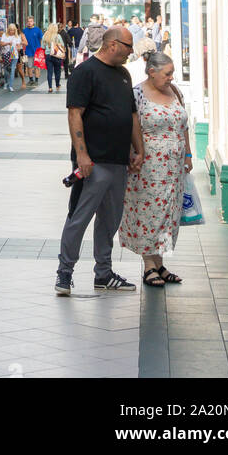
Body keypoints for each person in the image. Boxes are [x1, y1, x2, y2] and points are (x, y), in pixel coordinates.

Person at [55, 26, 144, 296]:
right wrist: (81, 154)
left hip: (118, 161)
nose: (131, 51)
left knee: (110, 219)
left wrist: (138, 149)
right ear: (112, 44)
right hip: (92, 163)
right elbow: (75, 115)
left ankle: (103, 273)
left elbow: (131, 116)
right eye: (128, 46)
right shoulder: (85, 72)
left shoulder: (124, 75)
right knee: (79, 217)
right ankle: (64, 273)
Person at [119, 52, 192, 287]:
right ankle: (149, 265)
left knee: (168, 214)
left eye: (172, 73)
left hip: (174, 168)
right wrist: (136, 153)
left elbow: (184, 126)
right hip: (149, 166)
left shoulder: (175, 91)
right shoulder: (137, 94)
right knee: (148, 214)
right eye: (167, 73)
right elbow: (131, 126)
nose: (171, 78)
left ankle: (159, 263)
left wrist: (188, 154)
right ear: (152, 72)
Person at [42, 22, 65, 94]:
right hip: (56, 55)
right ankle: (57, 85)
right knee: (57, 71)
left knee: (49, 72)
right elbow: (62, 45)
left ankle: (50, 87)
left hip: (48, 56)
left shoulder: (45, 36)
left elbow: (42, 47)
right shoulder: (58, 36)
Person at [23, 15, 43, 88]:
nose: (29, 23)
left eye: (31, 21)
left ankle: (36, 81)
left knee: (37, 67)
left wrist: (41, 49)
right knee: (29, 66)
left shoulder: (38, 30)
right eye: (28, 21)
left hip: (37, 51)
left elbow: (41, 39)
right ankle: (31, 80)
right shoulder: (24, 31)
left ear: (33, 22)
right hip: (28, 51)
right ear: (26, 22)